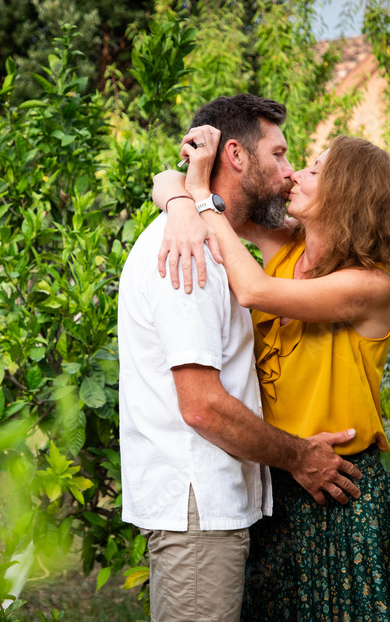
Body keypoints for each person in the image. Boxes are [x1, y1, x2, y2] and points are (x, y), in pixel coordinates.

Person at [152, 127, 390, 620]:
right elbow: (167, 179)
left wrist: (199, 201)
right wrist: (181, 201)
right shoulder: (287, 248)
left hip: (340, 491)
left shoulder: (370, 285)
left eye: (315, 170)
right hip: (278, 480)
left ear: (348, 196)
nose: (295, 173)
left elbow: (254, 290)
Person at [118, 94, 365, 622]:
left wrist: (183, 195)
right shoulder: (186, 252)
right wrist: (300, 457)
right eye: (278, 154)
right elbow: (202, 407)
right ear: (235, 155)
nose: (288, 169)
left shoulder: (207, 236)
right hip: (199, 511)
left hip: (213, 510)